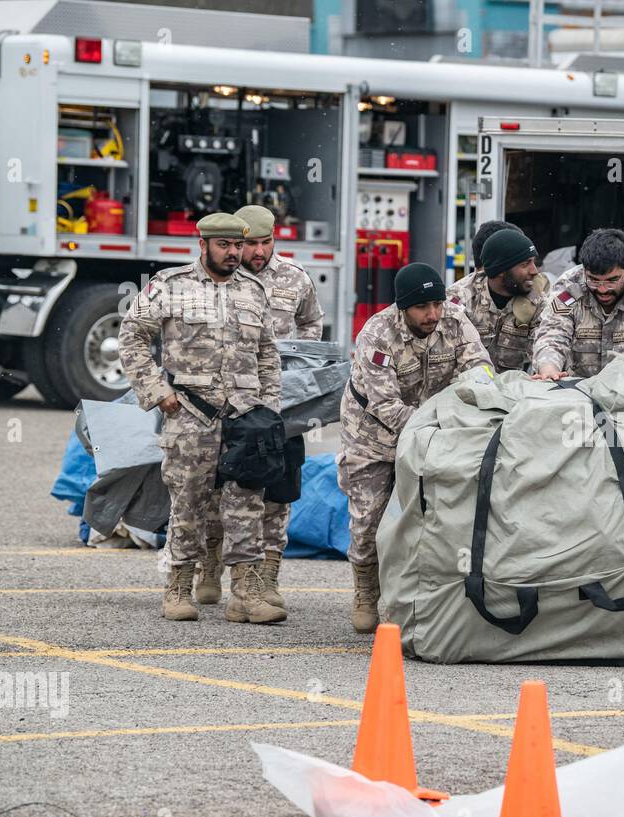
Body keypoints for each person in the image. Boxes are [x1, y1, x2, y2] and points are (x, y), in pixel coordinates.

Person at [119, 212, 283, 624]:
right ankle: (179, 587)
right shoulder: (171, 286)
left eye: (238, 246)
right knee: (189, 502)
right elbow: (132, 336)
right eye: (224, 246)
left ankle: (245, 593)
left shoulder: (254, 291)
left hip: (245, 418)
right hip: (190, 415)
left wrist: (269, 408)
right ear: (203, 245)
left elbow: (267, 354)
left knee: (246, 503)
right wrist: (158, 392)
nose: (234, 253)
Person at [338, 262, 492, 633]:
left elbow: (481, 368)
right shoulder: (376, 334)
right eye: (423, 307)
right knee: (369, 520)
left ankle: (412, 597)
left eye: (437, 304)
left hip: (433, 431)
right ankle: (365, 587)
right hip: (374, 436)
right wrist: (440, 422)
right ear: (403, 307)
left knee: (432, 515)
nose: (433, 314)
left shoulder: (455, 320)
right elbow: (386, 406)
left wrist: (474, 405)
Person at [192, 204, 325, 614]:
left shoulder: (295, 279)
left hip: (280, 406)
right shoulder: (219, 278)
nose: (258, 252)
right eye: (251, 243)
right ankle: (211, 565)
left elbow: (312, 328)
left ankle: (267, 578)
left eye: (266, 243)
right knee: (221, 491)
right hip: (229, 405)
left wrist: (297, 370)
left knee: (279, 491)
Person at [531, 228, 624, 380]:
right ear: (584, 270)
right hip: (579, 386)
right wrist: (549, 368)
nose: (603, 289)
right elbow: (553, 332)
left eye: (612, 280)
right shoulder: (569, 286)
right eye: (594, 280)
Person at [446, 226, 550, 371]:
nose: (534, 271)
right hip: (466, 386)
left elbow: (546, 344)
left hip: (513, 388)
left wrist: (547, 367)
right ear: (501, 270)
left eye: (534, 262)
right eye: (525, 264)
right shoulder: (460, 299)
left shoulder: (538, 300)